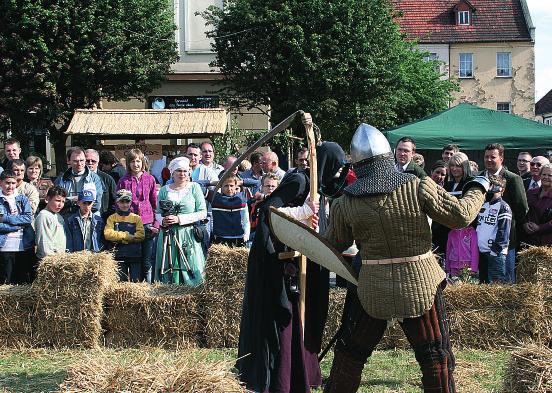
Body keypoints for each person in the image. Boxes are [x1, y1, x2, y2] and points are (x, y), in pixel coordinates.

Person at [321, 124, 488, 393]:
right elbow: (461, 216)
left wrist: (305, 236)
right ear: (388, 156)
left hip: (372, 286)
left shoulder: (346, 202)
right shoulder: (418, 186)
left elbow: (333, 245)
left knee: (350, 354)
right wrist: (478, 187)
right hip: (420, 281)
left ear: (358, 163)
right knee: (435, 356)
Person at [236, 131, 348, 393]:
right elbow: (269, 211)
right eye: (336, 166)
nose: (338, 172)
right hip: (283, 258)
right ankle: (283, 378)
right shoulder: (299, 181)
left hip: (306, 256)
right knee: (287, 319)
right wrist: (303, 212)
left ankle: (302, 374)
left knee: (308, 315)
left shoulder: (316, 186)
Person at [154, 157, 206, 285]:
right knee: (168, 268)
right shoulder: (164, 190)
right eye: (179, 171)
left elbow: (202, 212)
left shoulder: (194, 188)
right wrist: (163, 221)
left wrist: (179, 219)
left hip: (187, 233)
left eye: (185, 171)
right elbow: (158, 213)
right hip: (168, 234)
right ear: (172, 172)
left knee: (191, 266)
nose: (182, 174)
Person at [481, 143, 528, 283]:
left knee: (504, 284)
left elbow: (522, 209)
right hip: (481, 243)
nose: (489, 160)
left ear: (501, 158)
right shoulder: (478, 178)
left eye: (492, 157)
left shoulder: (513, 179)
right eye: (486, 157)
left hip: (504, 243)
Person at [117, 148, 159, 282]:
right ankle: (135, 285)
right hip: (130, 224)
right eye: (133, 161)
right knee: (133, 258)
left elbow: (154, 203)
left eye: (139, 161)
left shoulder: (150, 179)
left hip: (147, 222)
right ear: (128, 163)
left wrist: (156, 224)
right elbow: (118, 204)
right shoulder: (124, 181)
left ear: (143, 162)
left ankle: (148, 288)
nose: (136, 164)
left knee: (147, 260)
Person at [431, 152, 474, 257]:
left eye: (458, 166)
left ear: (465, 167)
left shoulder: (470, 183)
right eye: (452, 165)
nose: (454, 169)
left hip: (463, 232)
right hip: (444, 229)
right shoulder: (447, 184)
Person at [0, 170, 35, 284]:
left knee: (23, 281)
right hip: (5, 246)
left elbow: (28, 218)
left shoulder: (22, 199)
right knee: (6, 281)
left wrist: (6, 218)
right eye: (7, 183)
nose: (10, 186)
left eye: (13, 183)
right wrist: (15, 227)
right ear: (1, 183)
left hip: (23, 245)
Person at [476, 175, 512, 284]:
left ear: (502, 190)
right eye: (490, 186)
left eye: (495, 187)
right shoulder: (483, 205)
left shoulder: (503, 207)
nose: (492, 190)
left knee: (496, 286)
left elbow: (504, 232)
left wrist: (495, 251)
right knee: (483, 284)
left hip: (495, 254)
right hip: (481, 252)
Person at [104, 189, 145, 282]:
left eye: (127, 201)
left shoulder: (136, 218)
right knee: (120, 283)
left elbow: (141, 235)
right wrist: (127, 236)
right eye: (122, 202)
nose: (125, 204)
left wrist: (118, 237)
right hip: (119, 255)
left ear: (130, 202)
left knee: (136, 282)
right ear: (117, 202)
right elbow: (108, 234)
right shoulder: (112, 218)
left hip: (134, 255)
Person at [54, 147, 103, 218]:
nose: (79, 164)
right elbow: (58, 202)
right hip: (68, 216)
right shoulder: (62, 179)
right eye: (75, 161)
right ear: (68, 161)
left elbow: (97, 204)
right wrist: (82, 201)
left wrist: (72, 200)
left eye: (82, 160)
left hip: (90, 217)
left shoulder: (95, 178)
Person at [205, 175, 249, 247]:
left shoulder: (242, 197)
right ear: (221, 187)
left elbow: (257, 183)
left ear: (236, 186)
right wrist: (215, 183)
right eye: (226, 186)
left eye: (231, 185)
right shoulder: (215, 197)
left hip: (239, 237)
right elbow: (198, 184)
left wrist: (240, 182)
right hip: (220, 238)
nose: (229, 189)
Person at [35, 186, 68, 260]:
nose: (60, 205)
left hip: (59, 259)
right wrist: (50, 259)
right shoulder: (44, 216)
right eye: (57, 200)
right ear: (47, 199)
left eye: (63, 202)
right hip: (48, 261)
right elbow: (44, 243)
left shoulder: (58, 216)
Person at [523, 163, 552, 246]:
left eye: (550, 175)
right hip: (528, 241)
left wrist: (539, 228)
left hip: (547, 245)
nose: (546, 177)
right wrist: (524, 224)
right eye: (544, 174)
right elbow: (522, 211)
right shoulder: (530, 193)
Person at [85, 149, 117, 220]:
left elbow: (115, 201)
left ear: (98, 162)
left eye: (93, 161)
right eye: (87, 161)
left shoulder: (107, 179)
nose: (90, 163)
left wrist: (107, 216)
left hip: (102, 219)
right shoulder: (78, 179)